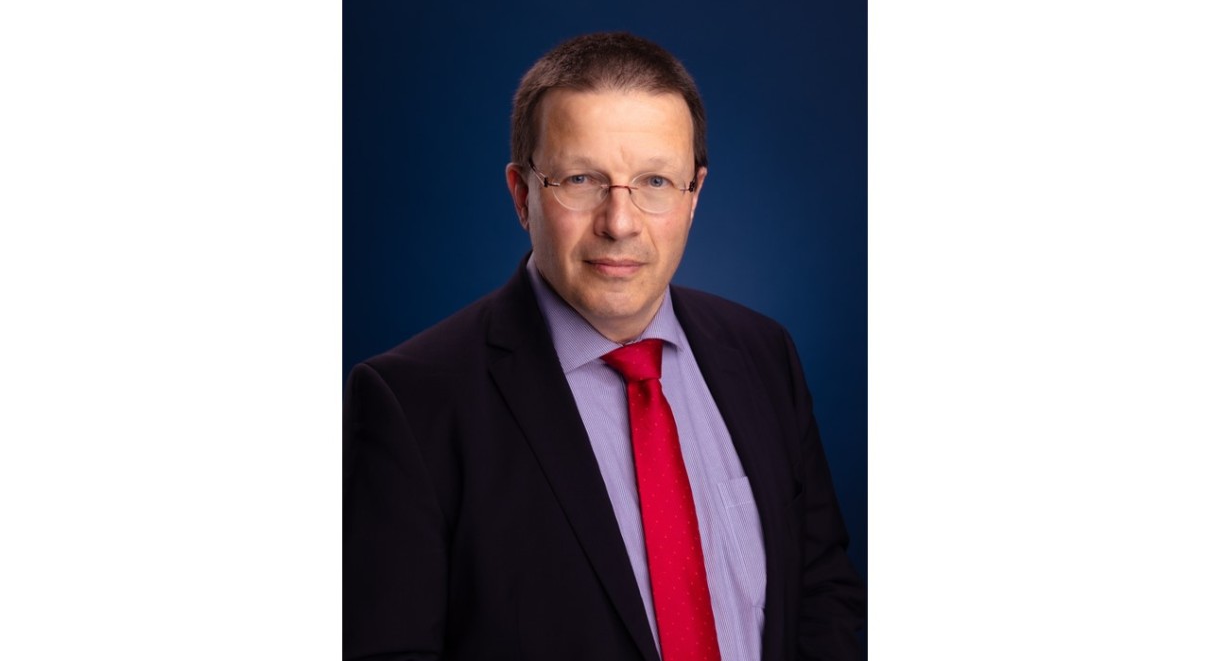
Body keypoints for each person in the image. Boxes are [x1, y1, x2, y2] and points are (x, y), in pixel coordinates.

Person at [344, 32, 866, 661]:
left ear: (693, 196)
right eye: (582, 178)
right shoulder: (410, 404)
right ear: (521, 194)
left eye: (654, 181)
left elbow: (821, 595)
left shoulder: (763, 356)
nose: (619, 223)